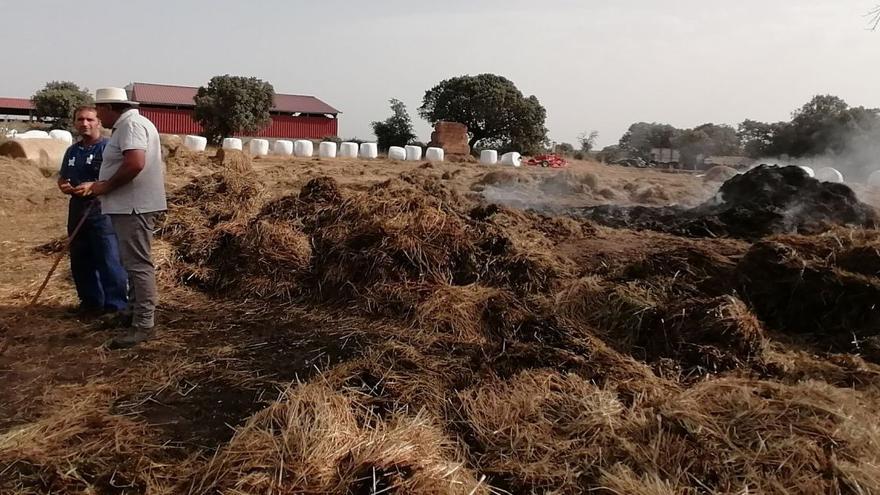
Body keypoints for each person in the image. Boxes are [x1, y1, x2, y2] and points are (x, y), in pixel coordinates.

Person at [74, 87, 167, 348]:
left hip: (133, 206)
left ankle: (144, 324)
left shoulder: (131, 126)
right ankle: (133, 312)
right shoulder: (130, 124)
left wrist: (104, 186)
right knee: (132, 263)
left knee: (138, 265)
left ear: (111, 107)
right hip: (128, 205)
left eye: (100, 110)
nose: (98, 116)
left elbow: (135, 163)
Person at [57, 106, 128, 317]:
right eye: (80, 119)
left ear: (98, 122)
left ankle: (115, 307)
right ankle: (90, 303)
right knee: (80, 258)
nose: (84, 123)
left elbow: (118, 177)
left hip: (101, 209)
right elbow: (63, 176)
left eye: (89, 119)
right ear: (74, 123)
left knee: (108, 257)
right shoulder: (72, 151)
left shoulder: (108, 149)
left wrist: (95, 186)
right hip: (77, 208)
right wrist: (63, 185)